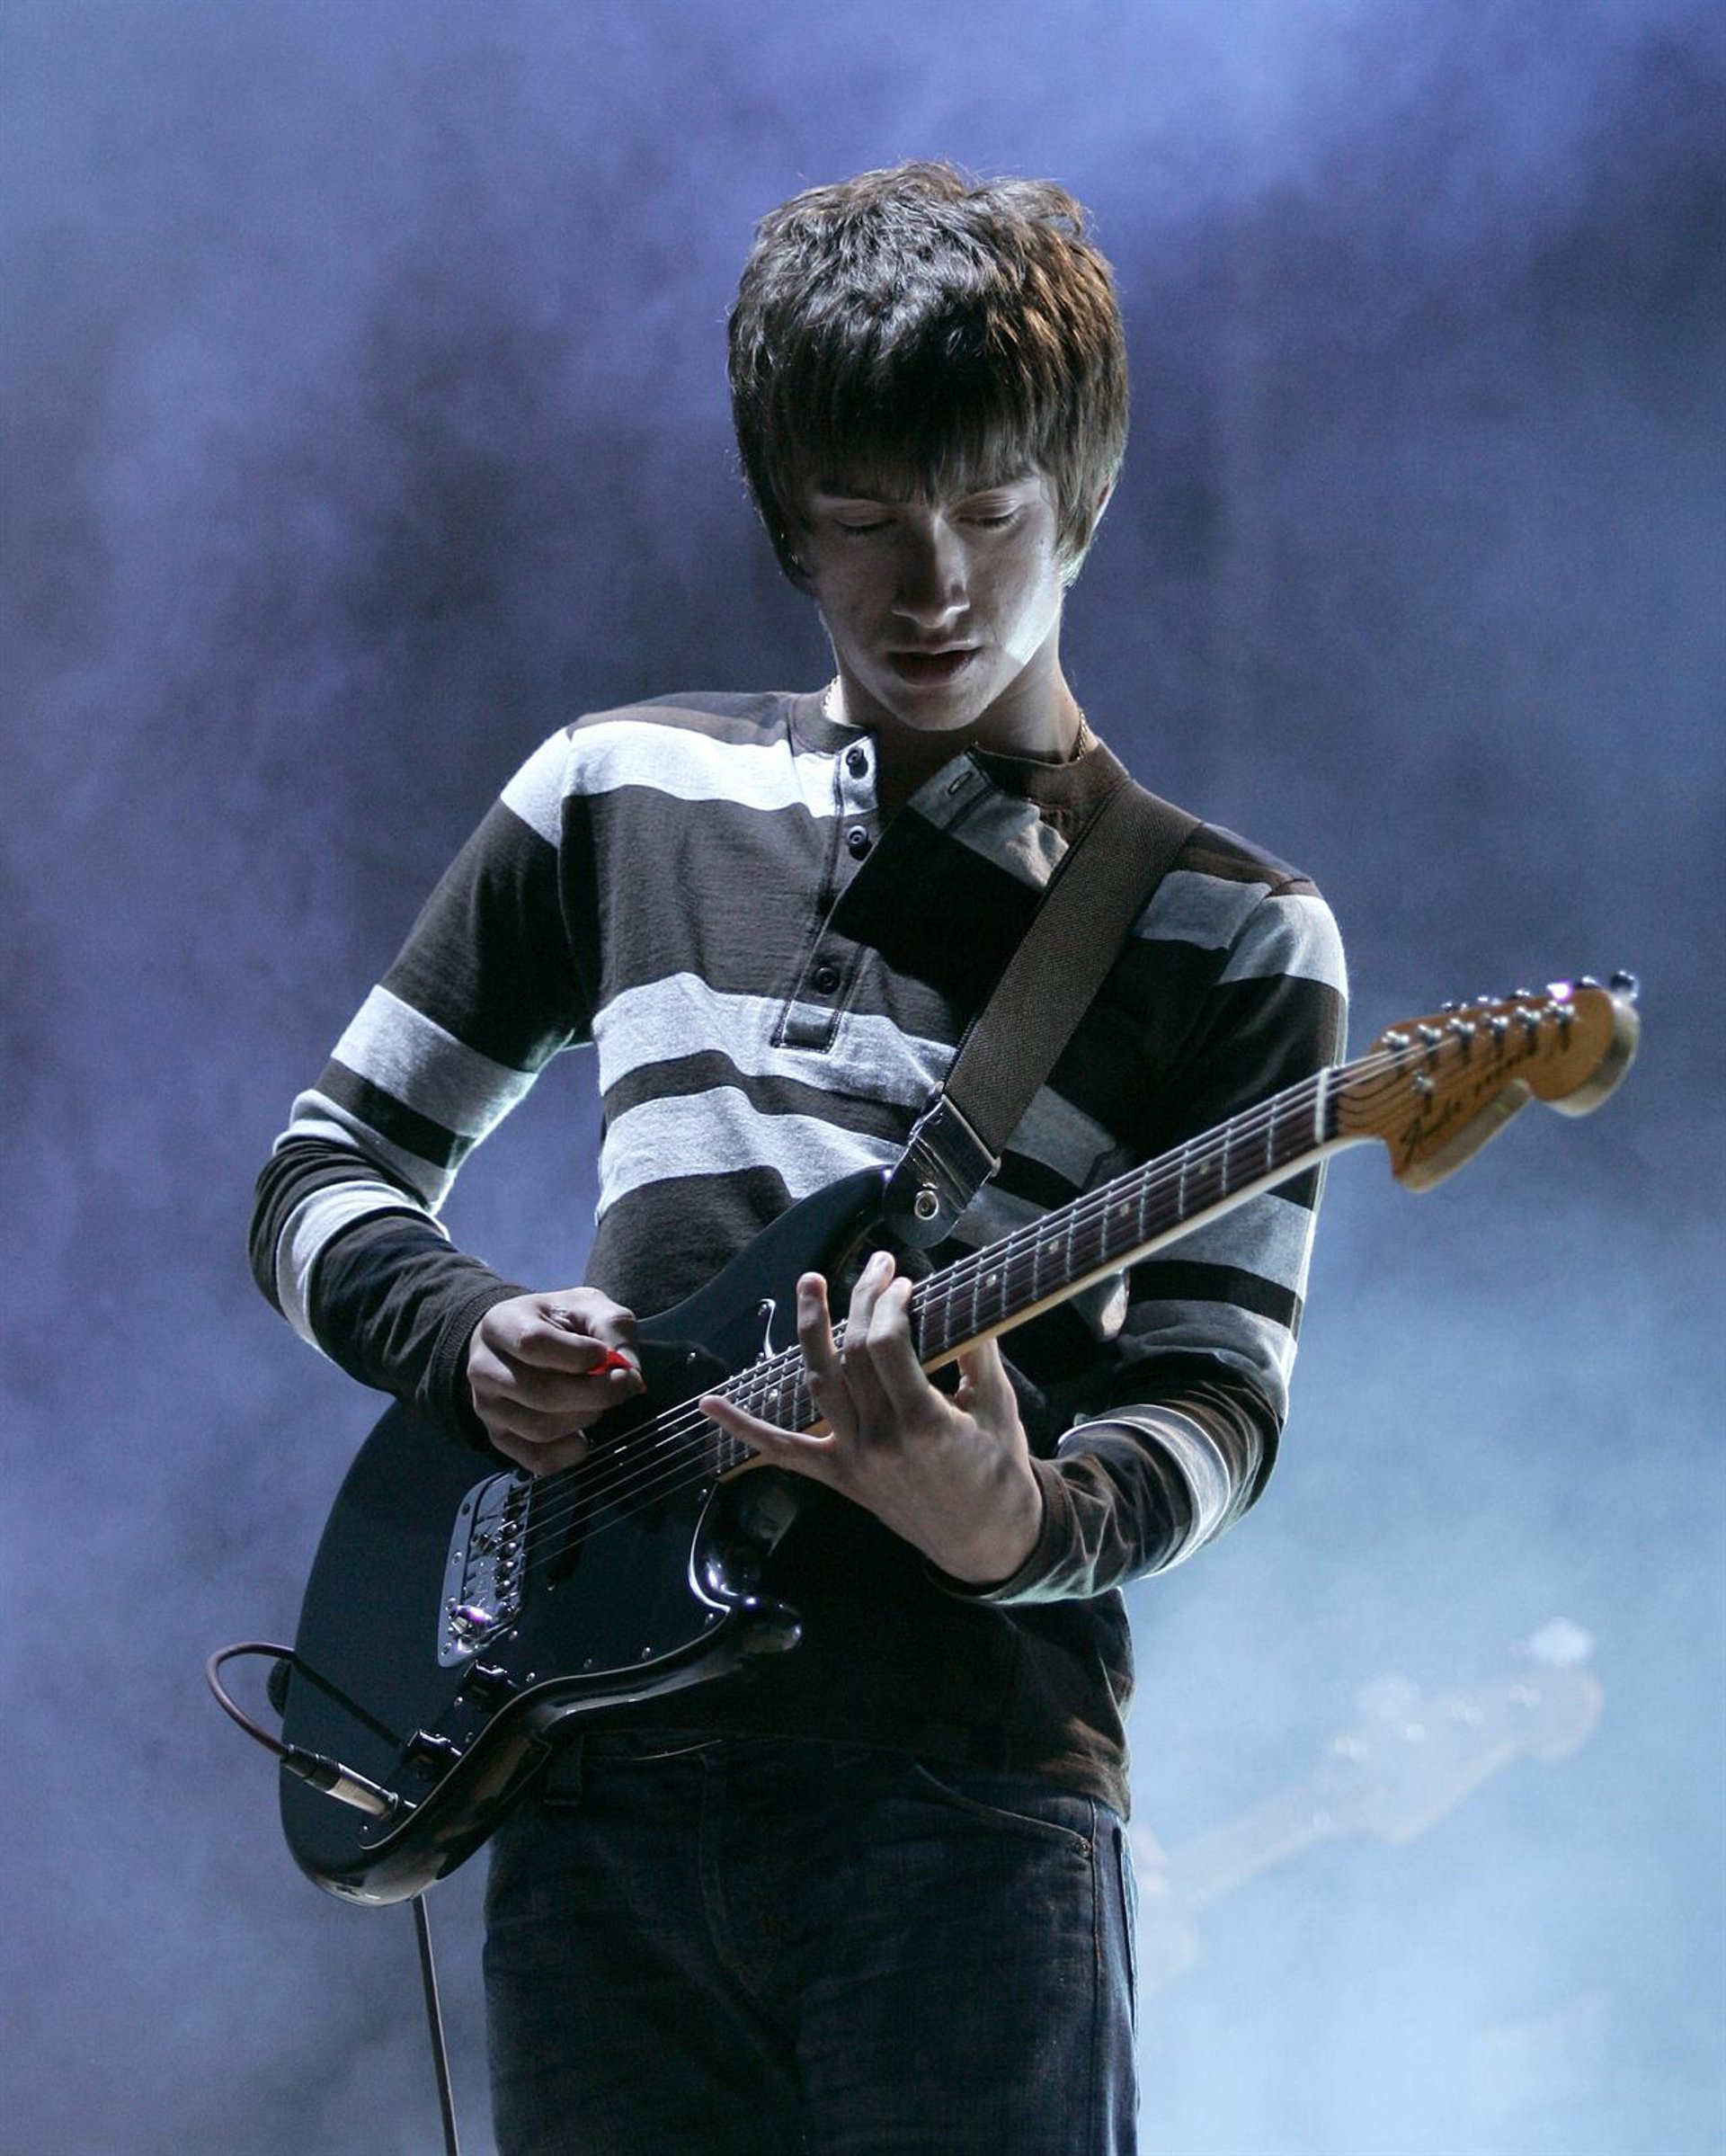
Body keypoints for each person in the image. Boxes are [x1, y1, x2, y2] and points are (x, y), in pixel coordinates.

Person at [251, 161, 1347, 2155]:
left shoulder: (1230, 933)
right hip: (591, 1776)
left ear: (1085, 497)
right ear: (785, 518)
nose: (934, 588)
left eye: (991, 514)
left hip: (964, 1799)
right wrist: (468, 1337)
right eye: (865, 521)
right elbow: (320, 1172)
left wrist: (1015, 1516)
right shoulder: (615, 789)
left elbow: (1218, 1399)